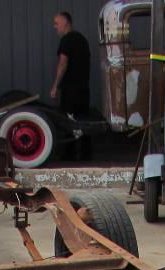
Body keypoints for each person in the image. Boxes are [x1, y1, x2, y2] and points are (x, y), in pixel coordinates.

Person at [50, 11, 92, 160]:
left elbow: (63, 63)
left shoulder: (66, 40)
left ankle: (69, 154)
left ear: (65, 23)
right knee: (83, 120)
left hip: (71, 90)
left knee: (68, 121)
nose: (55, 27)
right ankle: (86, 154)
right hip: (83, 89)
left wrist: (55, 85)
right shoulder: (82, 39)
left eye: (56, 23)